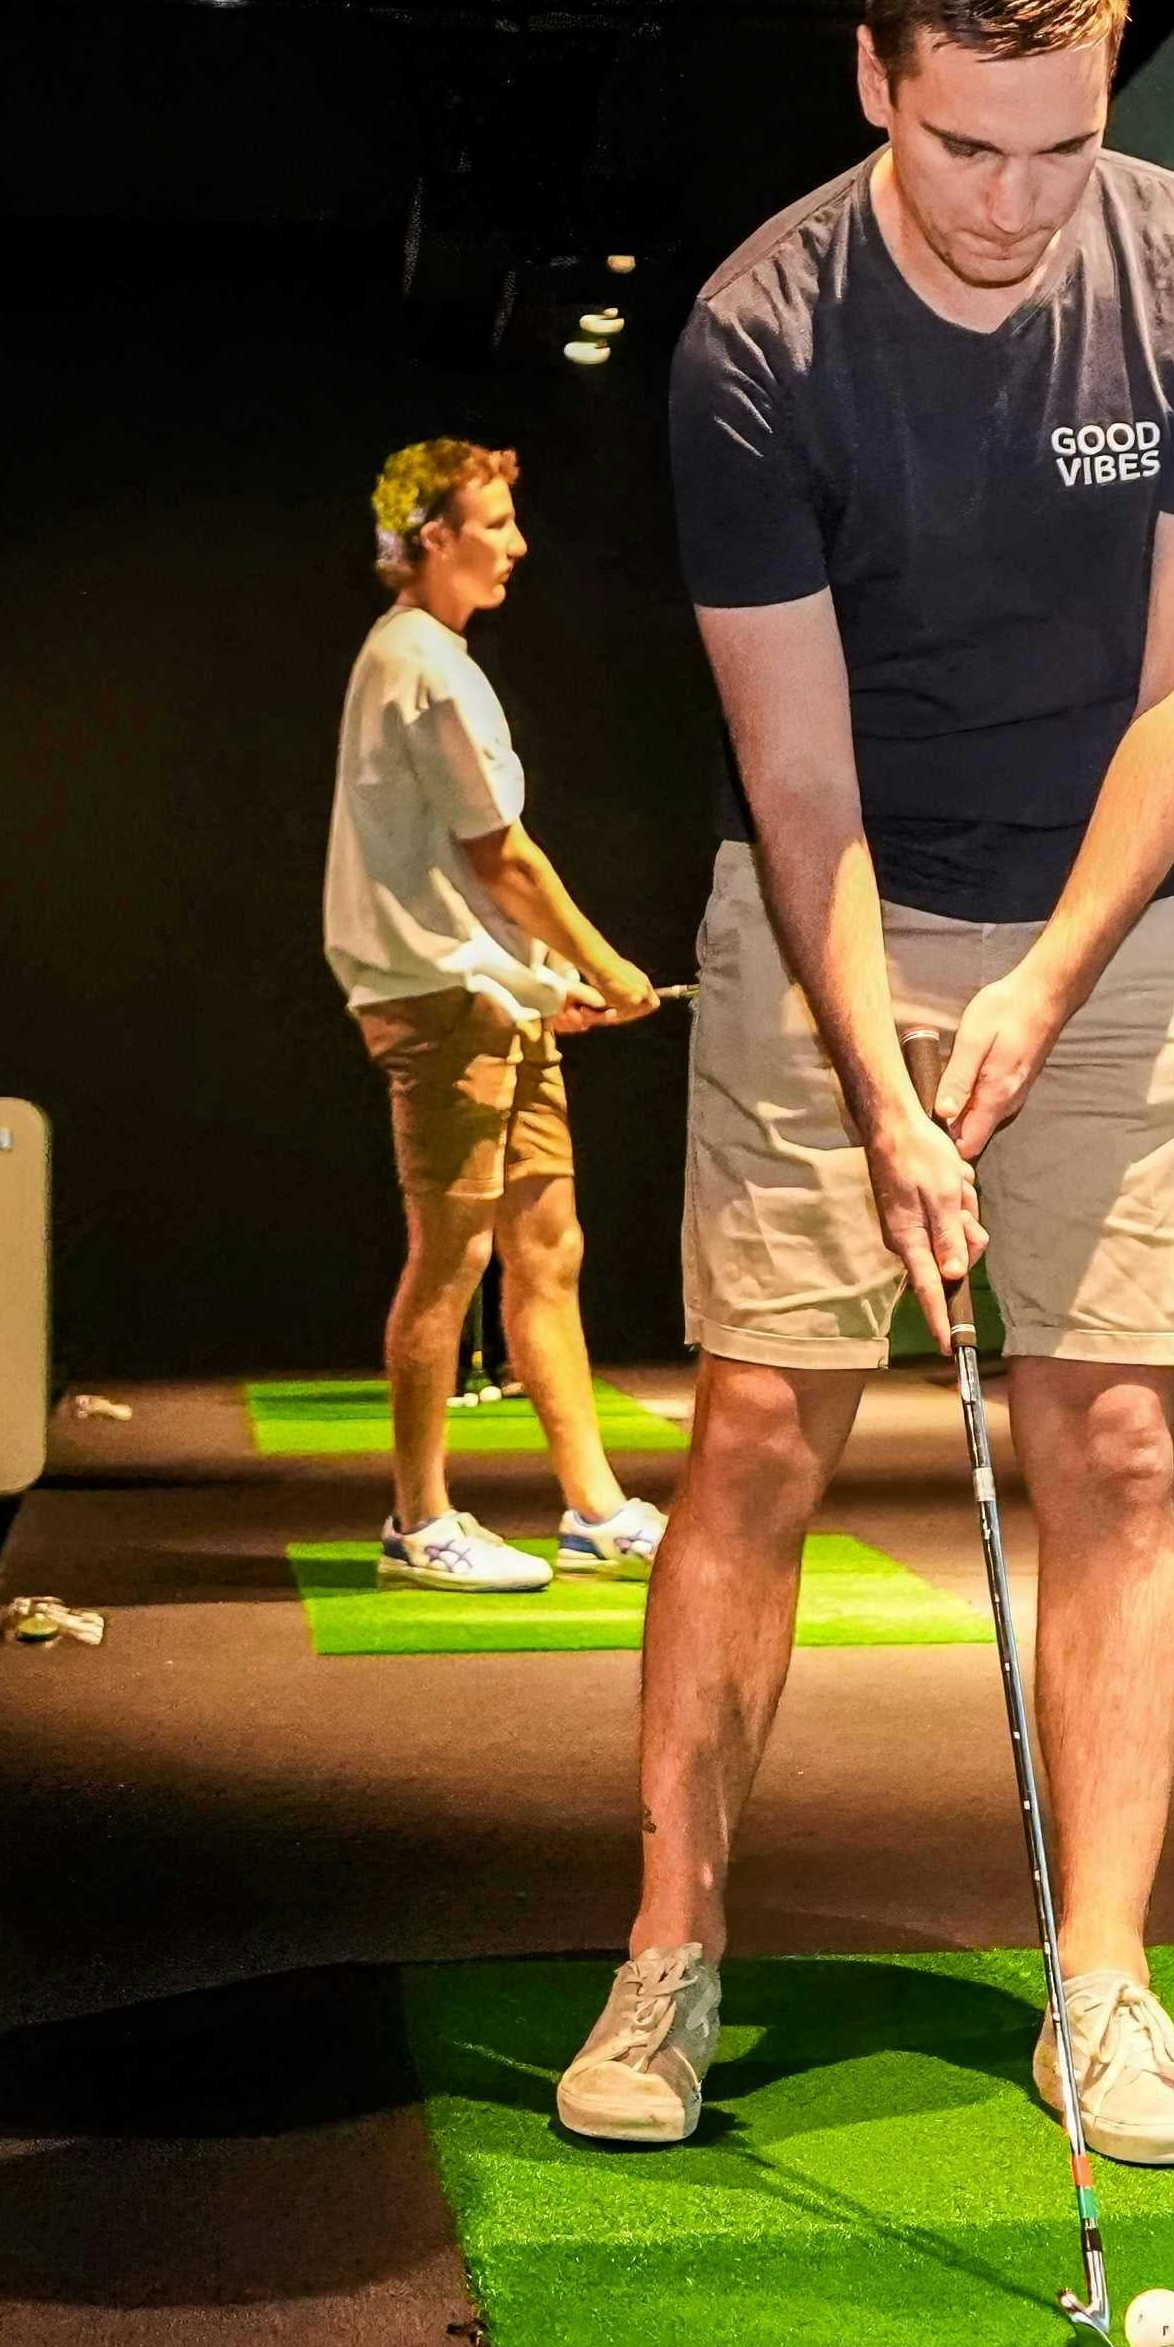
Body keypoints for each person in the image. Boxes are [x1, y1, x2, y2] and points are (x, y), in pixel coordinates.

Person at [557, 0, 1174, 2167]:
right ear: (872, 75)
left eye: (1059, 143)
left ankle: (1102, 1983)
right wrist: (889, 1080)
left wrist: (1046, 989)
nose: (1008, 201)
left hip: (1122, 912)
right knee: (761, 1437)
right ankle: (669, 1951)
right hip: (833, 910)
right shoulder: (759, 339)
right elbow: (799, 771)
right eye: (960, 141)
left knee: (1107, 1451)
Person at [323, 437, 670, 1592]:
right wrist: (607, 964)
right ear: (435, 539)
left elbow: (467, 868)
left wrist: (538, 982)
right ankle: (418, 1522)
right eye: (498, 523)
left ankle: (593, 1509)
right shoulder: (419, 662)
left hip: (488, 995)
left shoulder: (435, 659)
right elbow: (501, 854)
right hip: (441, 1003)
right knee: (454, 1254)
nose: (517, 545)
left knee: (547, 1246)